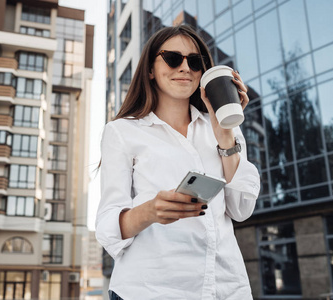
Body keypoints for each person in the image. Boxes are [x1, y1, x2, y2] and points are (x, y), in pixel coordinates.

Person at [96, 24, 260, 300]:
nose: (185, 68)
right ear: (150, 69)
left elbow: (241, 208)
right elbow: (107, 226)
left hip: (225, 288)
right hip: (150, 290)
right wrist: (149, 211)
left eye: (194, 62)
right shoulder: (122, 132)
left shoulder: (223, 128)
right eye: (173, 58)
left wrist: (224, 135)